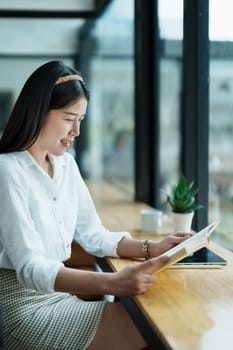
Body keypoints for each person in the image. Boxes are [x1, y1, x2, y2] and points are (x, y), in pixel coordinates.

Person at [0, 61, 190, 350]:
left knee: (157, 316)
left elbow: (93, 235)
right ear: (39, 111)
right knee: (150, 327)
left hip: (58, 295)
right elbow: (30, 268)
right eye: (68, 118)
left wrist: (152, 247)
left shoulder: (66, 165)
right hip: (22, 307)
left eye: (81, 119)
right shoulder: (7, 170)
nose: (76, 130)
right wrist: (114, 283)